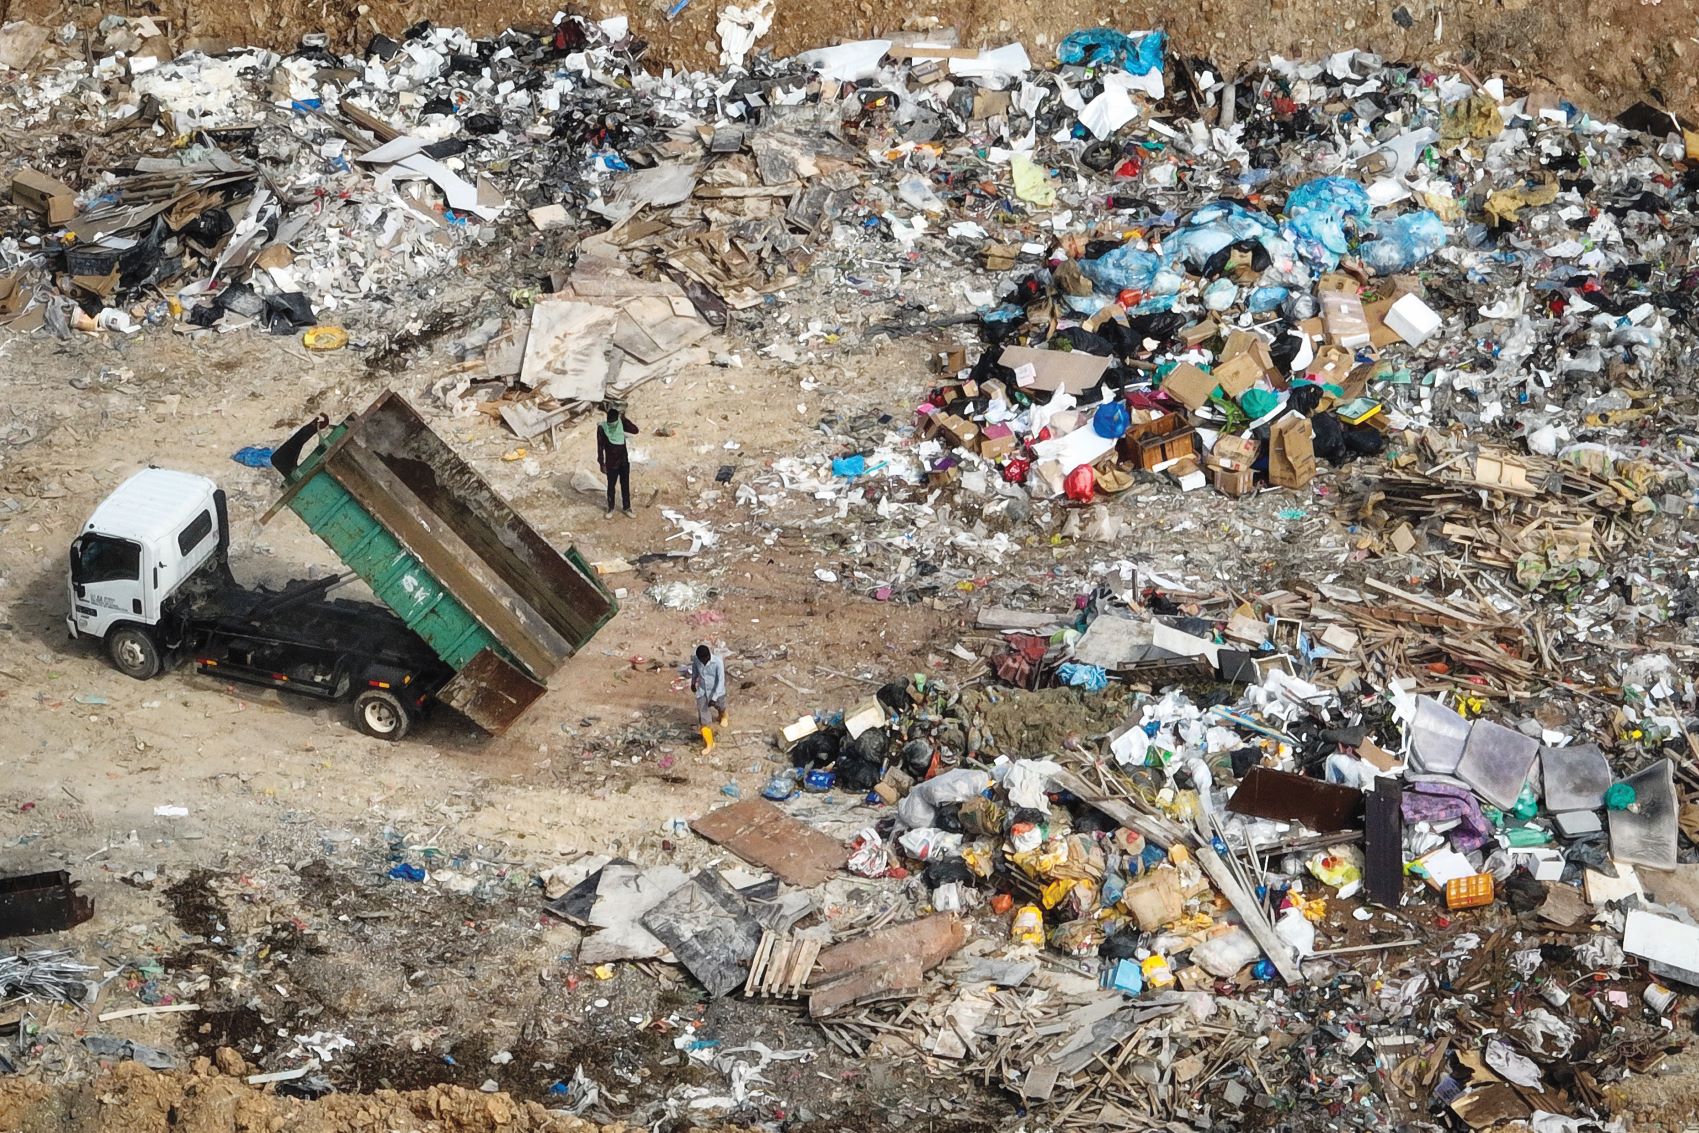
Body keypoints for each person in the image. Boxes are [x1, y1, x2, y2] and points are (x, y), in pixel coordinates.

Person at [596, 403, 639, 518]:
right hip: (611, 463)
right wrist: (601, 463)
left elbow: (635, 430)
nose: (613, 425)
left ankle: (627, 508)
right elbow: (600, 447)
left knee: (625, 485)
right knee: (611, 486)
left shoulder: (621, 423)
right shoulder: (602, 428)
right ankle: (610, 508)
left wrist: (624, 419)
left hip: (623, 461)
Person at [690, 644, 727, 752]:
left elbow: (721, 681)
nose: (703, 662)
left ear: (708, 657)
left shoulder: (718, 662)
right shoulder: (697, 660)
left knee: (721, 706)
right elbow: (695, 670)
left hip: (716, 690)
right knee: (704, 718)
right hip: (702, 691)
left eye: (705, 660)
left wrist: (714, 698)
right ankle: (710, 744)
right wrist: (693, 682)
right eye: (701, 660)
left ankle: (723, 715)